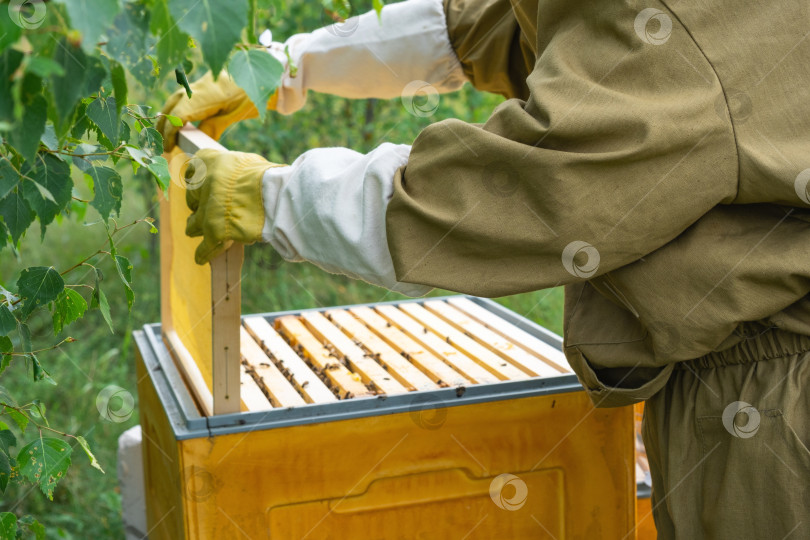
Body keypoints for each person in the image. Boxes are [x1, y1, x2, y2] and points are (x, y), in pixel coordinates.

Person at [158, 0, 810, 537]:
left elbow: (525, 197)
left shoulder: (677, 28)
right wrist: (291, 61)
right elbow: (491, 26)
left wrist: (274, 198)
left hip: (774, 401)